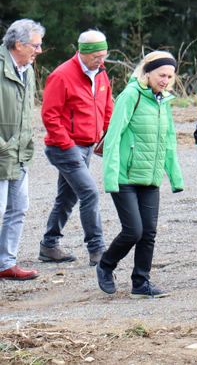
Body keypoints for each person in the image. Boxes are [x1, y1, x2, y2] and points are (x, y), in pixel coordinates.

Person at [96, 50, 184, 298]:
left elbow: (169, 140)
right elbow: (113, 137)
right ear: (147, 72)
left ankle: (141, 283)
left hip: (150, 177)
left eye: (170, 76)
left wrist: (175, 178)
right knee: (133, 231)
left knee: (148, 233)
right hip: (125, 177)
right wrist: (110, 177)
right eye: (161, 75)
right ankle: (106, 265)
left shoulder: (163, 100)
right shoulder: (130, 95)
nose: (166, 80)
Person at [39, 30, 113, 266]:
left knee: (67, 197)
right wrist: (67, 145)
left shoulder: (101, 73)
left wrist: (108, 134)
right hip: (65, 148)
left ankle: (49, 245)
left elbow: (106, 106)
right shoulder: (61, 76)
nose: (101, 61)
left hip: (87, 145)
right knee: (90, 192)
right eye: (97, 56)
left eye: (104, 55)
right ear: (83, 52)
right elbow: (49, 116)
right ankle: (97, 249)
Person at [0, 19, 45, 281]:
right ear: (19, 44)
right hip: (3, 152)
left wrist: (25, 144)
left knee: (18, 208)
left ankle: (6, 263)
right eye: (35, 45)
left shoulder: (26, 69)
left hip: (19, 154)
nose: (39, 50)